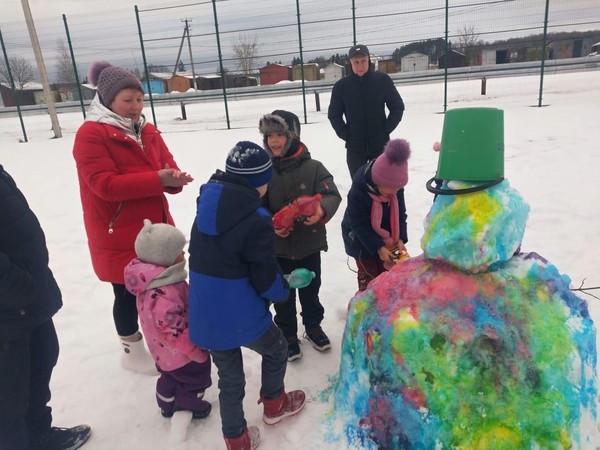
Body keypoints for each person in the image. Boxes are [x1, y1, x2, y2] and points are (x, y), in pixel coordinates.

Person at [72, 61, 193, 375]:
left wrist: (175, 178)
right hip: (119, 232)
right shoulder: (91, 135)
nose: (136, 107)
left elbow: (165, 164)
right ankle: (132, 350)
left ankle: (169, 338)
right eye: (128, 100)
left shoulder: (147, 129)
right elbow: (104, 185)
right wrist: (158, 179)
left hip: (155, 229)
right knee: (126, 293)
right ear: (108, 99)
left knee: (166, 288)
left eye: (139, 99)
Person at [188, 141, 306, 450]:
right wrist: (283, 289)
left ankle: (236, 439)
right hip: (239, 311)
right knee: (277, 348)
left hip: (206, 312)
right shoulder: (255, 219)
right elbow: (264, 274)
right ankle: (274, 403)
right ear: (259, 182)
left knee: (229, 378)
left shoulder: (207, 206)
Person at [0, 164, 91, 450]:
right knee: (8, 397)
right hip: (9, 303)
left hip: (28, 295)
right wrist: (15, 285)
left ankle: (39, 433)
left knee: (41, 360)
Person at [258, 110, 341, 362]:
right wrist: (270, 223)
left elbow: (331, 194)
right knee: (282, 293)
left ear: (292, 136)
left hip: (309, 244)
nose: (273, 141)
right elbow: (255, 204)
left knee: (310, 289)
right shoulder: (263, 171)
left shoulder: (314, 167)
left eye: (280, 135)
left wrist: (321, 209)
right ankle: (288, 334)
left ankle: (313, 326)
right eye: (269, 135)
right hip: (278, 247)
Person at [124, 219, 212, 419]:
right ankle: (188, 403)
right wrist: (194, 351)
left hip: (161, 351)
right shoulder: (164, 291)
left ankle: (166, 401)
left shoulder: (149, 282)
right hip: (181, 351)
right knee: (194, 376)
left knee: (169, 376)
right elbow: (172, 328)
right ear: (164, 259)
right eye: (179, 252)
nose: (183, 255)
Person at [341, 139, 411, 292]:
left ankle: (386, 307)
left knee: (388, 276)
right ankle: (366, 308)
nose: (395, 193)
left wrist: (400, 238)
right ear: (377, 182)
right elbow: (359, 225)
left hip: (387, 238)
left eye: (398, 189)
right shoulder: (358, 193)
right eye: (391, 189)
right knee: (370, 278)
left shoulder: (395, 187)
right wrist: (378, 248)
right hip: (359, 240)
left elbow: (400, 215)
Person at [328, 44, 405, 179]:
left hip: (380, 146)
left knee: (384, 183)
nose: (360, 65)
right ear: (350, 64)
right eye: (356, 62)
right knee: (360, 186)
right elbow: (334, 115)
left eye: (363, 61)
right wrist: (346, 135)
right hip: (355, 149)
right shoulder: (341, 87)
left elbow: (397, 107)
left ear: (369, 60)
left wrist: (385, 129)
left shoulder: (382, 81)